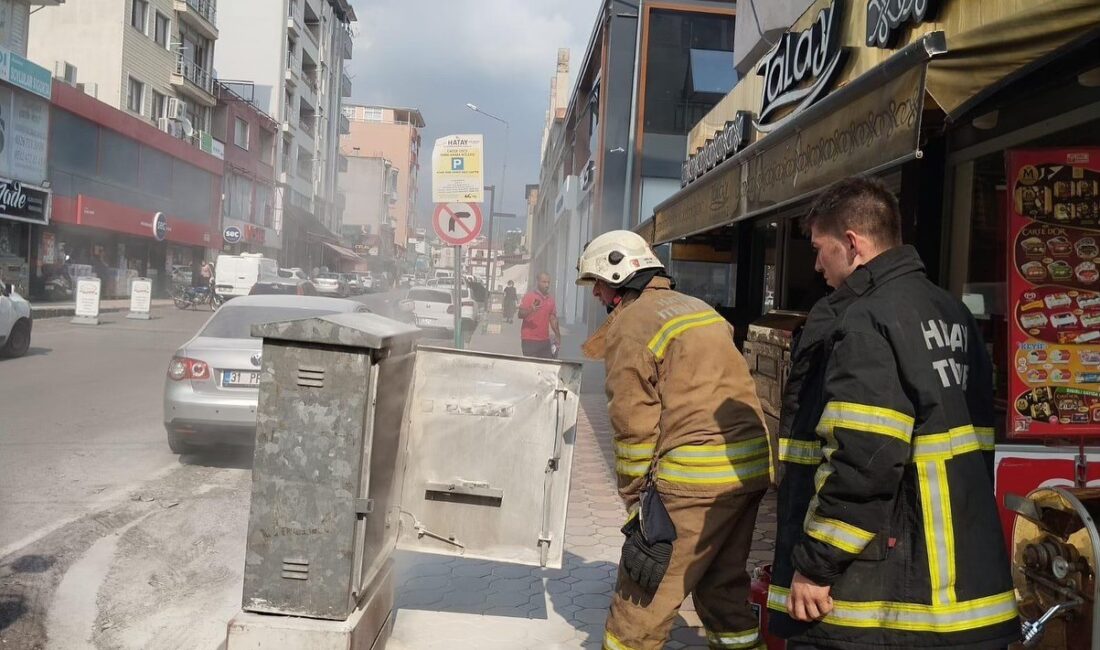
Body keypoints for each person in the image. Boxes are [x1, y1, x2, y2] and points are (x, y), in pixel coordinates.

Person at [769, 177, 1019, 649]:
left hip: (888, 587)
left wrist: (815, 564)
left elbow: (864, 459)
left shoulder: (866, 319)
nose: (816, 263)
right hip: (959, 582)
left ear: (852, 244)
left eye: (820, 248)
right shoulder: (950, 311)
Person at [576, 230, 774, 650]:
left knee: (640, 602)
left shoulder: (632, 325)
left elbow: (633, 425)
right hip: (750, 471)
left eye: (598, 281)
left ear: (620, 273)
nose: (595, 292)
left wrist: (638, 506)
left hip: (693, 482)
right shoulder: (699, 309)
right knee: (723, 593)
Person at [518, 272, 560, 358]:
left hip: (545, 340)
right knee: (531, 368)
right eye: (544, 282)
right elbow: (520, 314)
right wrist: (531, 309)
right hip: (529, 340)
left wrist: (558, 335)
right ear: (537, 282)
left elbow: (553, 319)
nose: (547, 285)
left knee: (546, 367)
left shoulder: (550, 300)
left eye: (548, 282)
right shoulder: (529, 296)